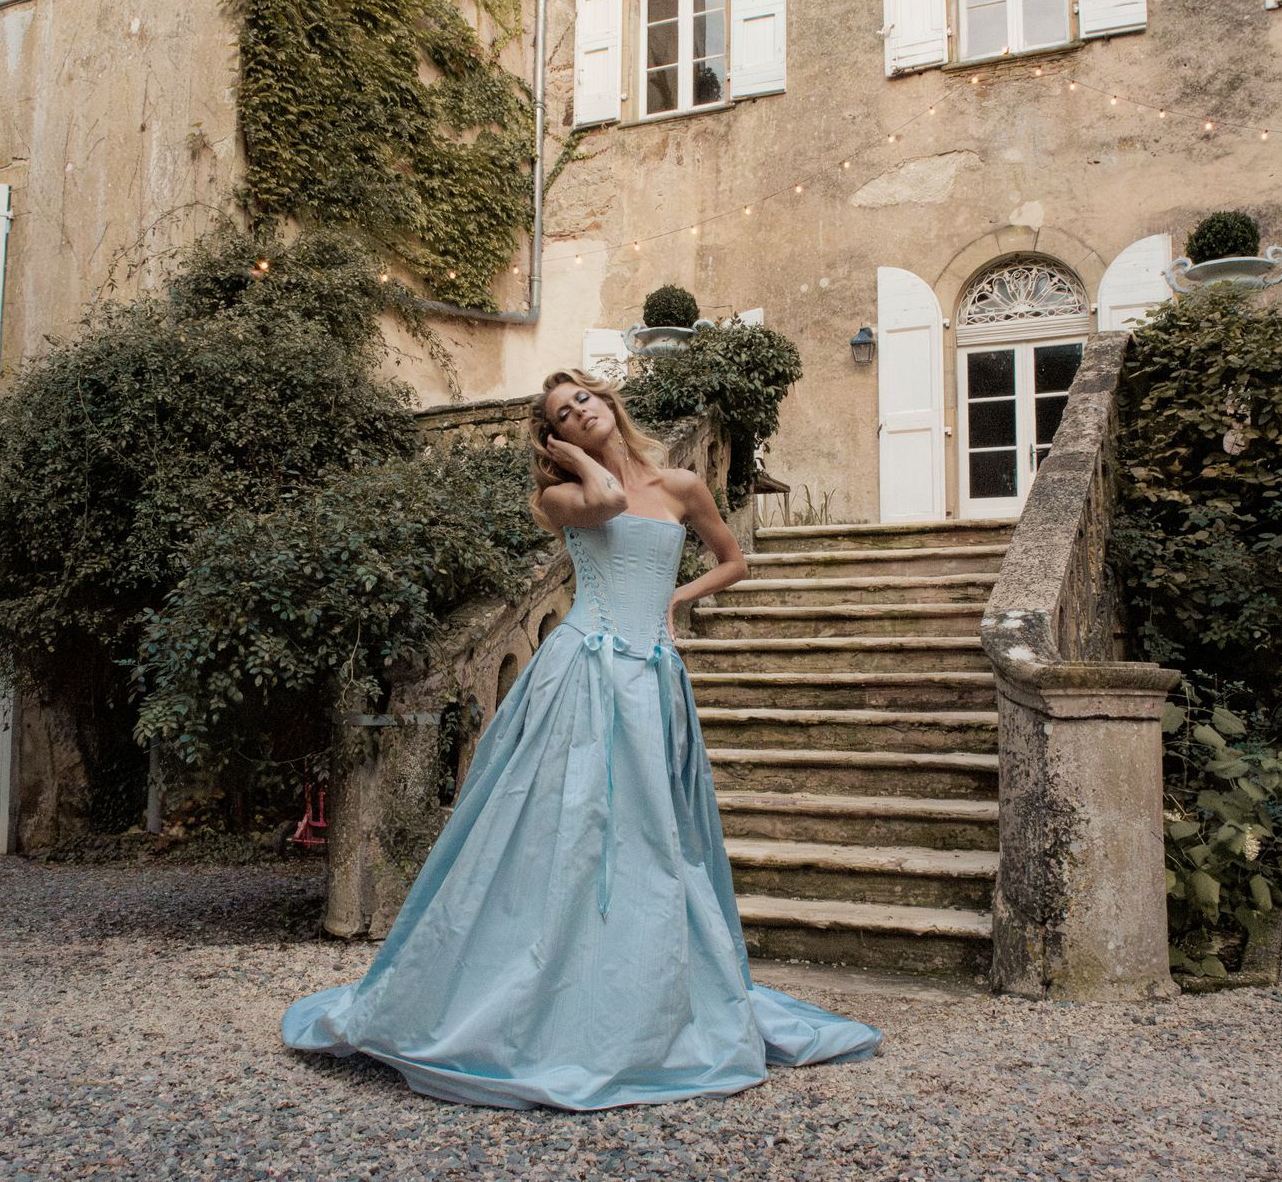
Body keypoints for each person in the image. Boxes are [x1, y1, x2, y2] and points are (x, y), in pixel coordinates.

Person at [279, 368, 882, 1109]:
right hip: (584, 675)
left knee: (655, 842)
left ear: (607, 399)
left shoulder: (684, 485)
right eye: (562, 416)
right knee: (565, 835)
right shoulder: (561, 495)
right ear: (557, 438)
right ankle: (547, 998)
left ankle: (641, 999)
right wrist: (581, 460)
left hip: (652, 681)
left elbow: (734, 561)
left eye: (583, 400)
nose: (578, 413)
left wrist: (673, 601)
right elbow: (606, 503)